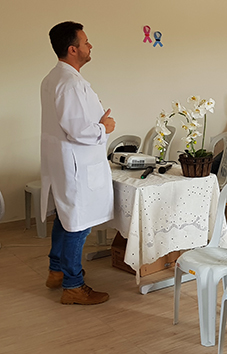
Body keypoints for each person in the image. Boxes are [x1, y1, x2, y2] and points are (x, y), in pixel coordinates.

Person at [41, 21, 114, 305]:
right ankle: (73, 285)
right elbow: (78, 129)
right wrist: (104, 127)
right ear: (73, 49)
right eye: (85, 42)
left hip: (63, 161)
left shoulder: (53, 78)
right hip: (76, 164)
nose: (89, 46)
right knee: (78, 224)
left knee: (65, 216)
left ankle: (56, 270)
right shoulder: (70, 83)